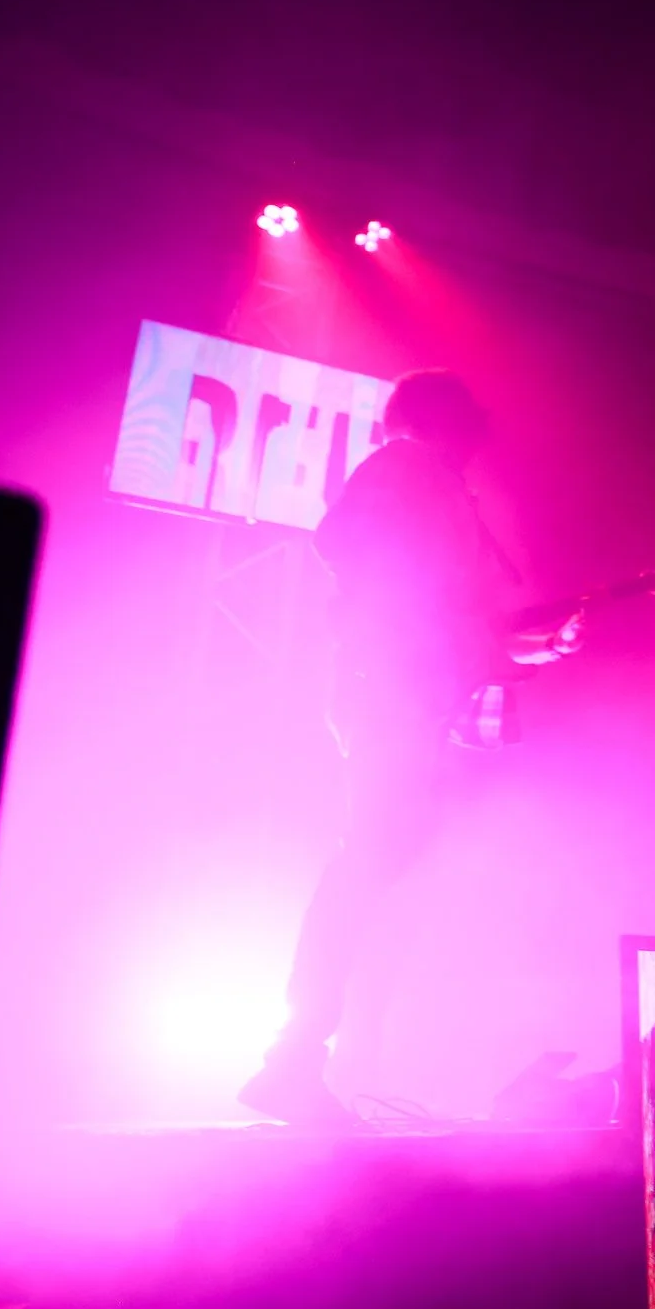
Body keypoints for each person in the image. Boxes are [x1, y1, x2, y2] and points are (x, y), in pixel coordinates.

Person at [239, 370, 509, 1126]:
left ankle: (319, 1056)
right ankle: (295, 1057)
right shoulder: (407, 464)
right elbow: (346, 546)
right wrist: (420, 625)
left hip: (406, 694)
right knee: (367, 863)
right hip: (392, 691)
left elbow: (459, 619)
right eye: (471, 426)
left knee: (382, 866)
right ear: (439, 422)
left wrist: (512, 640)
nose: (480, 443)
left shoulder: (432, 482)